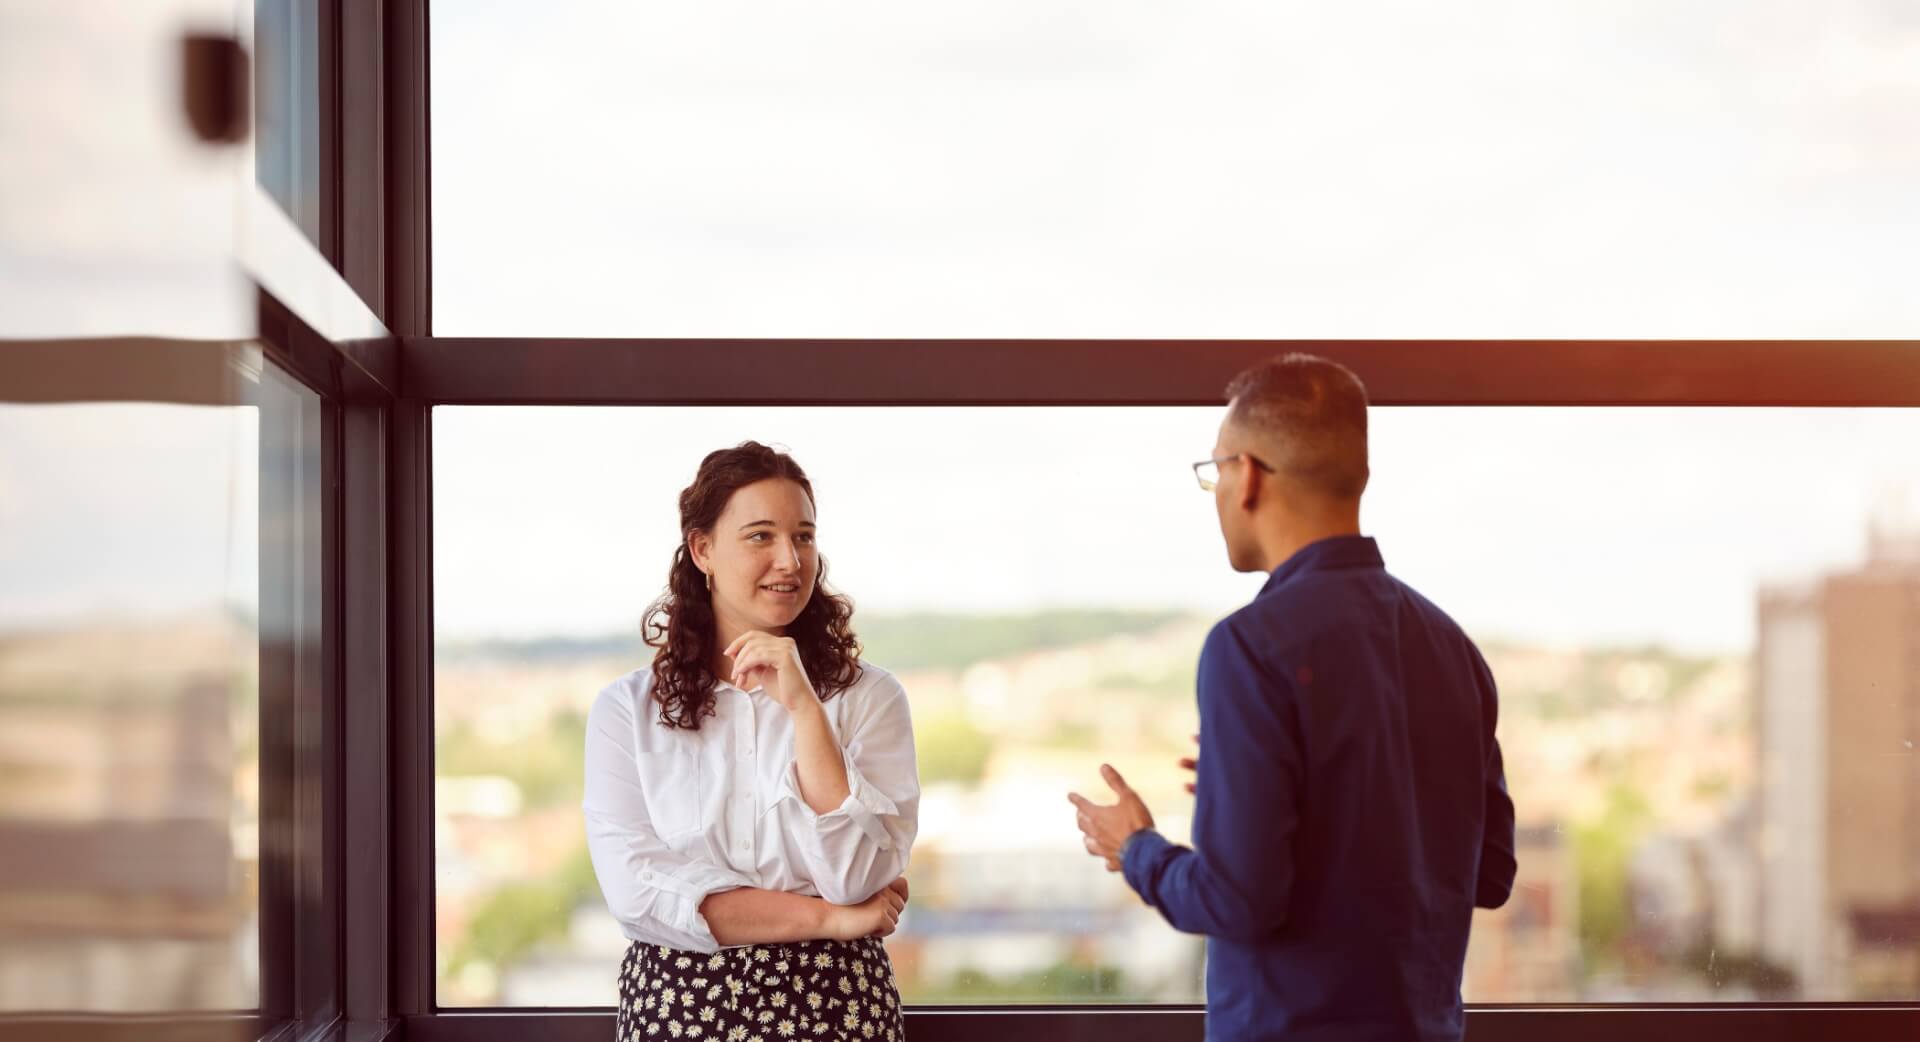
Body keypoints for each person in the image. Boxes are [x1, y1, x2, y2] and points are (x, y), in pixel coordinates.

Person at [1069, 354, 1517, 1042]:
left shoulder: (1250, 647)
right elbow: (1489, 876)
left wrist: (1136, 848)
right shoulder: (1455, 651)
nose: (1216, 489)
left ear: (1247, 475)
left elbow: (1238, 901)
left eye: (1214, 469)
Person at [585, 441, 919, 1042]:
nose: (790, 560)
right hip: (676, 1011)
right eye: (761, 536)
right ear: (703, 549)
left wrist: (806, 712)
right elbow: (639, 895)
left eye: (804, 536)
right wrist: (827, 918)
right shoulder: (625, 712)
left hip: (839, 1007)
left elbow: (860, 878)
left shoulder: (870, 697)